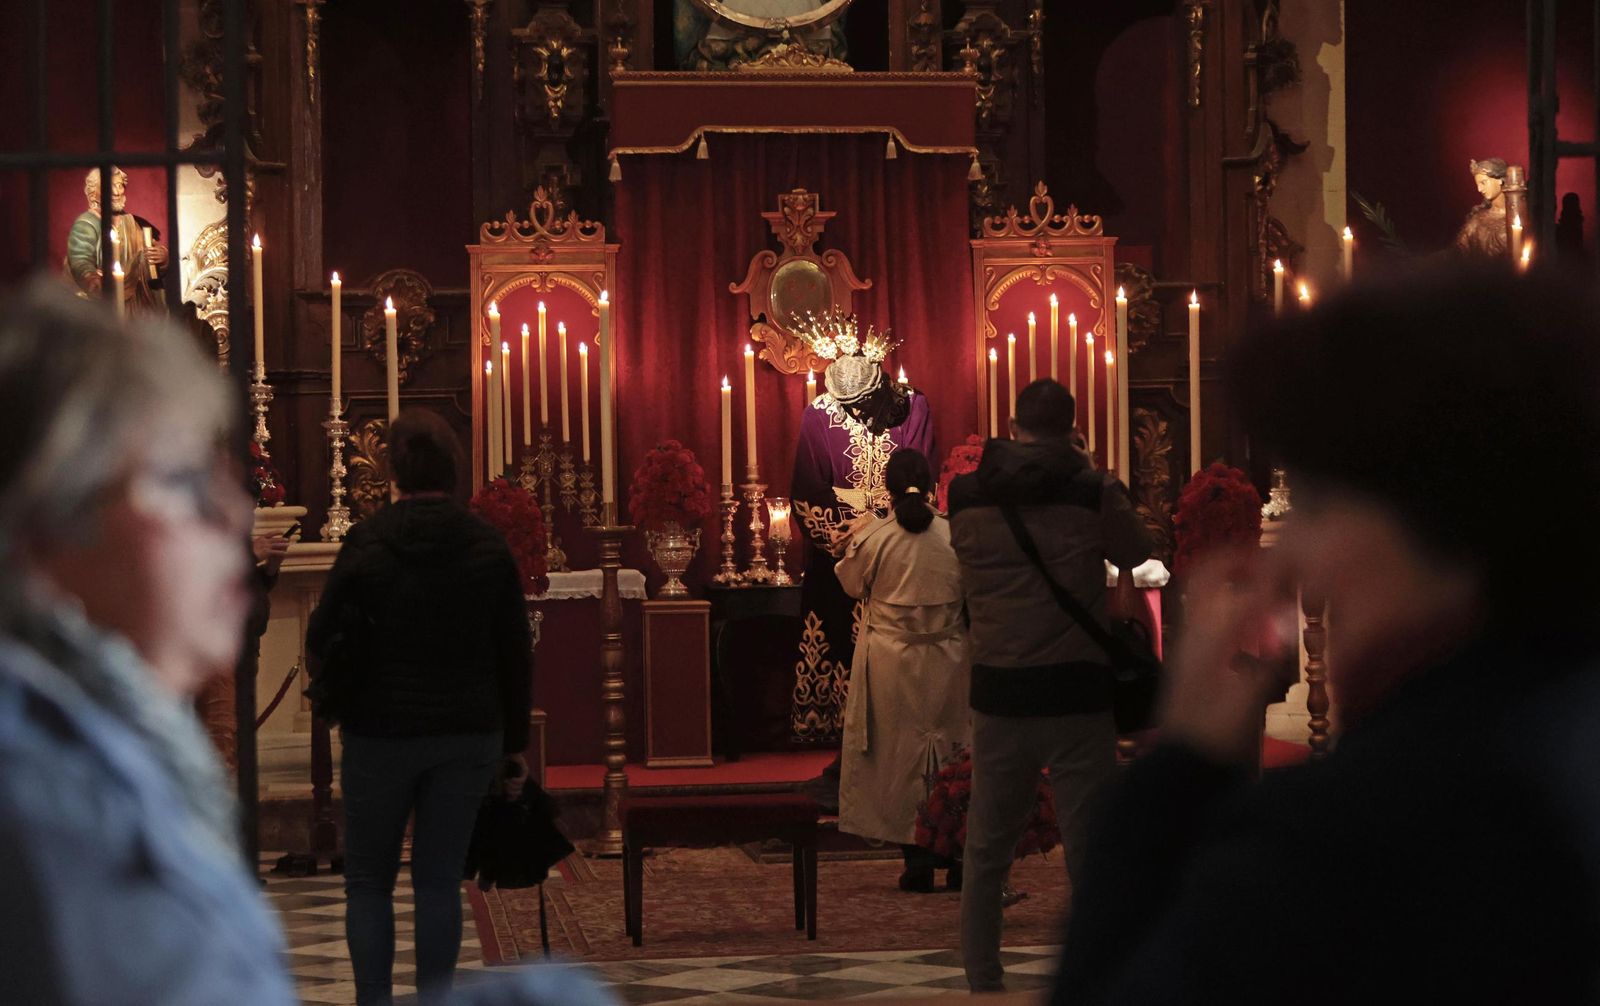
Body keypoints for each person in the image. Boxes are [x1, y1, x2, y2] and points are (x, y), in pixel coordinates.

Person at [1052, 265, 1600, 1003]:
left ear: (1414, 514)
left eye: (1314, 505)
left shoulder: (1346, 846)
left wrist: (1180, 769)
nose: (1296, 555)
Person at [0, 283, 297, 1003]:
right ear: (50, 529)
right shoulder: (51, 798)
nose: (231, 511)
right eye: (181, 479)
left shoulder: (100, 736)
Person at [307, 409, 534, 1006]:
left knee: (368, 882)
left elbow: (322, 634)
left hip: (379, 732)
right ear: (454, 469)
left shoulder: (368, 541)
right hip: (466, 732)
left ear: (396, 471)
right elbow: (515, 652)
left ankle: (373, 1001)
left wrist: (343, 700)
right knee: (438, 883)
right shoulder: (485, 544)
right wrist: (515, 747)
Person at [947, 377, 1153, 993]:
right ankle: (1095, 966)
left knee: (987, 844)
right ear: (1071, 428)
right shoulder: (1090, 489)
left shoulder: (963, 493)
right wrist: (1089, 473)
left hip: (1000, 687)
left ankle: (982, 971)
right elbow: (1137, 549)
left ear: (1013, 426)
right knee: (1089, 843)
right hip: (1075, 688)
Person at [834, 448, 970, 892]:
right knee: (953, 753)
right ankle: (959, 858)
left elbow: (852, 585)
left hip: (892, 661)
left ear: (888, 489)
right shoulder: (955, 535)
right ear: (933, 487)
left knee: (899, 757)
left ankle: (915, 862)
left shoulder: (878, 537)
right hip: (949, 658)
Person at [63, 166, 168, 312]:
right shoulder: (86, 223)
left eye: (119, 185)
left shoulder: (131, 223)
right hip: (101, 301)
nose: (116, 192)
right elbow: (80, 258)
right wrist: (91, 278)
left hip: (133, 305)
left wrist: (161, 258)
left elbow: (146, 258)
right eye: (108, 186)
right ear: (94, 195)